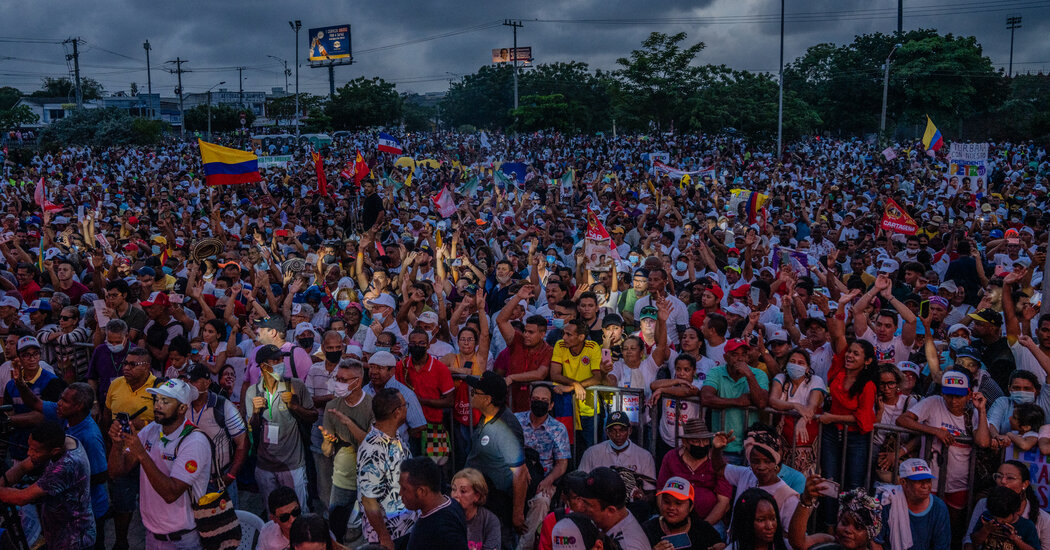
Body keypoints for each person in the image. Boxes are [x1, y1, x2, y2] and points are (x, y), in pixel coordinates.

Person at [107, 378, 213, 549]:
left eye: (165, 401)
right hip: (152, 535)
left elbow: (170, 493)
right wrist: (117, 445)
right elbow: (117, 471)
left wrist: (141, 453)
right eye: (156, 400)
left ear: (182, 408)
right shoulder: (151, 430)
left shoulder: (194, 441)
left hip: (182, 540)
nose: (158, 405)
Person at [17, 381, 110, 549]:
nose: (59, 403)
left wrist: (66, 479)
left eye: (64, 400)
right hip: (65, 517)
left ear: (78, 406)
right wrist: (20, 384)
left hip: (89, 512)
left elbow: (102, 475)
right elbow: (35, 403)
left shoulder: (90, 436)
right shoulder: (63, 413)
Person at [0, 421, 96, 550]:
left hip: (74, 540)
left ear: (54, 451)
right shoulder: (62, 441)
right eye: (29, 447)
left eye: (35, 450)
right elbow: (23, 467)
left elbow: (22, 497)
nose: (29, 453)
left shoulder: (66, 466)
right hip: (58, 535)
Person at [246, 343, 317, 511]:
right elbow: (252, 428)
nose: (281, 364)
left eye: (281, 359)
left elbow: (313, 416)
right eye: (275, 360)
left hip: (293, 464)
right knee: (273, 512)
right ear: (263, 365)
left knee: (299, 510)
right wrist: (256, 412)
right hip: (265, 465)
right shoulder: (252, 391)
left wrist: (295, 407)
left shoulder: (296, 386)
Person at [466, 370, 528, 549]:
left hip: (498, 506)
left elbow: (520, 473)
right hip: (482, 500)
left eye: (475, 392)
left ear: (487, 399)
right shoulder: (488, 417)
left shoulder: (506, 427)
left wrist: (517, 514)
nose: (471, 395)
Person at [320, 359, 374, 543]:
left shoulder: (372, 406)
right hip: (343, 475)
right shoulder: (331, 406)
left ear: (357, 382)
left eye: (343, 380)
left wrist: (348, 423)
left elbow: (371, 445)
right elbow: (327, 450)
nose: (338, 383)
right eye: (337, 378)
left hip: (369, 476)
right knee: (336, 522)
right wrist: (328, 441)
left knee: (370, 525)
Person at [183, 364, 248, 507]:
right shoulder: (181, 406)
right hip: (190, 480)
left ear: (208, 382)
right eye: (186, 381)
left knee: (226, 524)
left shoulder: (224, 406)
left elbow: (242, 441)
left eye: (194, 381)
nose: (189, 385)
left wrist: (231, 475)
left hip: (219, 480)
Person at [358, 387, 416, 548]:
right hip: (390, 535)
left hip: (405, 527)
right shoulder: (373, 449)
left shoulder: (394, 437)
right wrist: (385, 538)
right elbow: (369, 500)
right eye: (405, 405)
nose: (406, 409)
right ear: (397, 412)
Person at [701, 338, 769, 461]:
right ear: (725, 357)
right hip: (723, 446)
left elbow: (761, 403)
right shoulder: (716, 372)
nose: (740, 358)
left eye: (743, 354)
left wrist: (749, 375)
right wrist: (737, 401)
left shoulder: (758, 374)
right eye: (735, 354)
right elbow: (706, 398)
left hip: (751, 448)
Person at [655, 418, 731, 527]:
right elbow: (660, 491)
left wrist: (703, 527)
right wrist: (668, 518)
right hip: (674, 519)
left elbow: (723, 502)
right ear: (685, 442)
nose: (701, 445)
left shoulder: (718, 462)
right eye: (696, 441)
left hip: (710, 522)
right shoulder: (671, 458)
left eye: (705, 441)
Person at [965, 460, 1050, 550]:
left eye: (1010, 478)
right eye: (999, 476)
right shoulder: (983, 505)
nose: (1003, 481)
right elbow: (969, 542)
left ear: (1024, 484)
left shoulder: (1042, 520)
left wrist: (1016, 540)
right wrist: (985, 530)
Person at [550, 318, 605, 449]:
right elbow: (554, 374)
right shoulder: (559, 345)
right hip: (565, 405)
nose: (564, 337)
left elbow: (598, 378)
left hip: (589, 407)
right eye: (564, 333)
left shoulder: (593, 347)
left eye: (568, 334)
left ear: (581, 337)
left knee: (590, 448)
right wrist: (575, 384)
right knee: (564, 446)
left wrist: (571, 387)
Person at [789, 476, 884, 550]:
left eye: (858, 527)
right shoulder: (830, 543)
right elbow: (799, 544)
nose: (848, 530)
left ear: (870, 534)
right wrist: (806, 500)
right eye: (844, 523)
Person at [875, 459, 951, 550]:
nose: (925, 486)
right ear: (903, 482)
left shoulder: (939, 508)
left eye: (928, 481)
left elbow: (942, 546)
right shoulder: (887, 500)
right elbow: (875, 541)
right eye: (919, 481)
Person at [401, 456, 469, 550]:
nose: (400, 493)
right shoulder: (453, 505)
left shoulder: (438, 528)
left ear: (422, 491)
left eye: (404, 489)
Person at [576, 466, 649, 550]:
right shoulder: (618, 517)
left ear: (610, 511)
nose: (580, 507)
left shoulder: (627, 545)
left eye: (587, 504)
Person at [643, 476, 724, 550]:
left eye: (678, 503)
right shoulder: (647, 530)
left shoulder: (704, 530)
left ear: (691, 507)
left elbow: (720, 545)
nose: (671, 507)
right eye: (667, 502)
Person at [966, 486, 1041, 550]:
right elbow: (974, 543)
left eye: (1003, 518)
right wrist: (985, 530)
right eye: (995, 517)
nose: (999, 521)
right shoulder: (986, 517)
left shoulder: (1027, 526)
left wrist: (1016, 540)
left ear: (1016, 511)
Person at [452, 468, 502, 550]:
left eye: (463, 491)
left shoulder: (489, 521)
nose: (455, 495)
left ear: (477, 496)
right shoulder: (446, 517)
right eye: (454, 489)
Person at [259, 486, 302, 550]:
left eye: (295, 512)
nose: (292, 520)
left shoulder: (314, 531)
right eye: (284, 517)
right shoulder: (267, 533)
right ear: (273, 518)